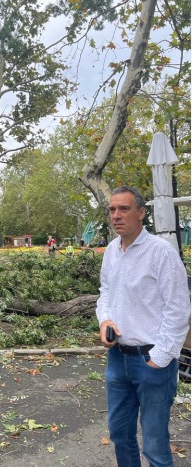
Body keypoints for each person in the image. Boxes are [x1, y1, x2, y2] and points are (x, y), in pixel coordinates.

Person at [96, 185, 190, 467]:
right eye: (112, 209)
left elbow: (179, 308)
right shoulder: (112, 251)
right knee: (120, 433)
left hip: (152, 362)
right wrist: (105, 321)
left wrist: (160, 358)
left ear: (141, 212)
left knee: (155, 444)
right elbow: (105, 293)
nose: (116, 215)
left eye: (124, 209)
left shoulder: (161, 253)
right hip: (117, 359)